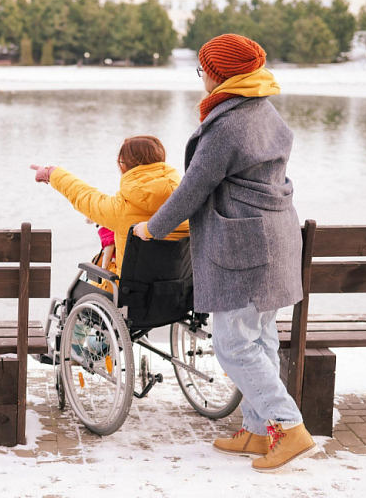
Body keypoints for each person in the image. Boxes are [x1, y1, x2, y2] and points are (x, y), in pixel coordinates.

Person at [132, 34, 317, 472]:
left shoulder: (228, 124)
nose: (202, 78)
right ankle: (258, 431)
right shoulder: (264, 109)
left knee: (234, 346)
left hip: (245, 249)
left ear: (218, 74)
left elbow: (193, 187)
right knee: (261, 340)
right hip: (275, 239)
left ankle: (289, 427)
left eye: (204, 70)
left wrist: (152, 228)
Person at [31, 135, 189, 284]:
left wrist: (52, 173)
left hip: (130, 296)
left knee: (79, 289)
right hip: (179, 294)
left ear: (124, 165)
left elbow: (83, 195)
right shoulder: (189, 203)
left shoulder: (121, 209)